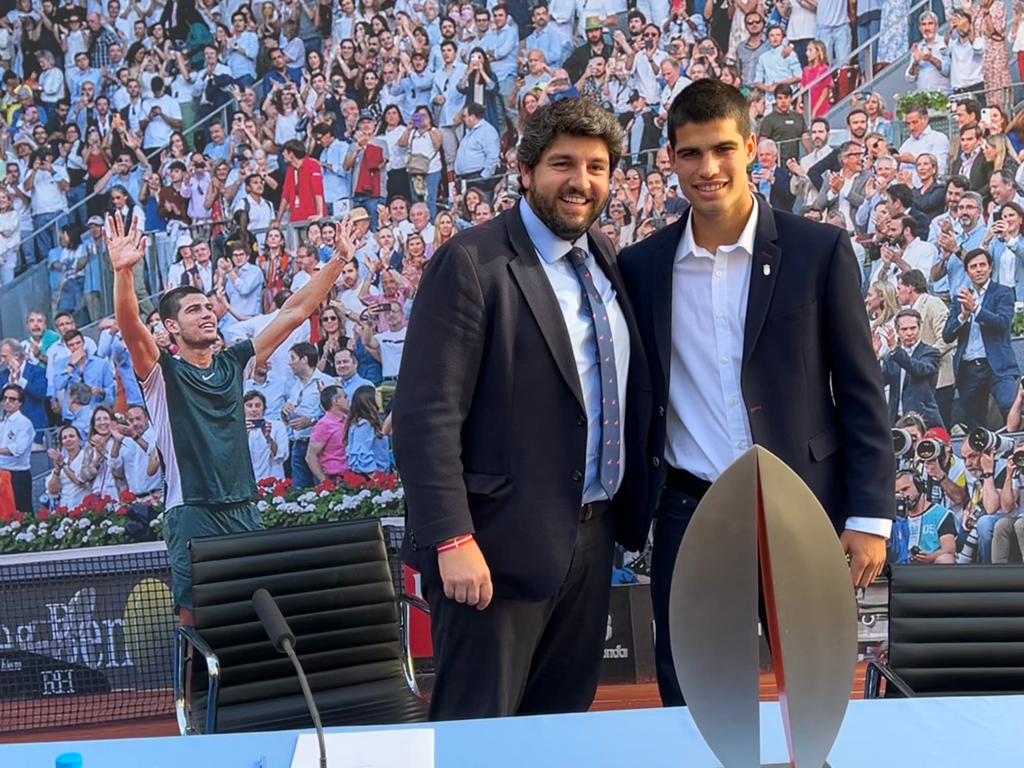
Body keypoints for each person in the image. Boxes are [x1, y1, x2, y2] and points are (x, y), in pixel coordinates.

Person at [618, 79, 893, 707]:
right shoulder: (642, 266)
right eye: (690, 153)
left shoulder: (817, 250)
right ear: (671, 159)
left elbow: (860, 391)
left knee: (815, 693)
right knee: (694, 698)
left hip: (800, 504)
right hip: (691, 510)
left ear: (751, 148)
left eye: (721, 149)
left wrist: (869, 515)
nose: (707, 168)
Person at [393, 97, 649, 720]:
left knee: (559, 727)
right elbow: (426, 416)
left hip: (590, 539)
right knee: (478, 735)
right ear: (526, 169)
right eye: (564, 163)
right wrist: (452, 536)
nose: (581, 182)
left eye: (596, 166)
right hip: (493, 547)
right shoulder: (472, 262)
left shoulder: (606, 258)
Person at [106, 210, 355, 619]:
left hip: (242, 506)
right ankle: (193, 687)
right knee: (195, 619)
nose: (206, 313)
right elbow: (131, 325)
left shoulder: (234, 361)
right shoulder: (161, 372)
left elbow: (293, 313)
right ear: (170, 327)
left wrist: (339, 260)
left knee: (256, 616)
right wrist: (124, 272)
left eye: (208, 307)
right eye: (193, 310)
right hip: (191, 510)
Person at [942, 248, 1019, 430]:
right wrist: (962, 315)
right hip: (969, 369)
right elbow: (947, 335)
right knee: (975, 423)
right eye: (973, 266)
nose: (979, 270)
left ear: (990, 267)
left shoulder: (1003, 292)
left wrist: (976, 309)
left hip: (998, 366)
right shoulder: (959, 298)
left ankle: (1017, 453)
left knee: (1011, 406)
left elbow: (1002, 323)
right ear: (967, 272)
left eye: (982, 265)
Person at [282, 341, 333, 488]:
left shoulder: (327, 381)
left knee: (322, 489)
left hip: (320, 445)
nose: (289, 363)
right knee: (300, 491)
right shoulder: (294, 386)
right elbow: (288, 417)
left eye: (292, 358)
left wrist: (311, 420)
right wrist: (285, 413)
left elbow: (335, 413)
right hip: (298, 443)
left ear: (304, 359)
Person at [881, 309, 943, 428]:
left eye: (913, 328)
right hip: (896, 421)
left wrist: (895, 350)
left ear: (919, 328)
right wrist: (874, 355)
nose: (909, 333)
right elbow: (879, 381)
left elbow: (918, 369)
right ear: (897, 331)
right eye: (904, 329)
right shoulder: (891, 357)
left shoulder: (931, 352)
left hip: (924, 422)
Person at [894, 470, 956, 564]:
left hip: (932, 567)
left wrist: (931, 557)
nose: (901, 495)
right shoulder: (896, 518)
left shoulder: (941, 514)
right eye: (897, 492)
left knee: (946, 559)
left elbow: (949, 549)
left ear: (919, 486)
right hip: (903, 567)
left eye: (905, 489)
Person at [0, 384, 35, 514]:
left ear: (20, 403)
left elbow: (18, 449)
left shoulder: (23, 423)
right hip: (2, 473)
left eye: (12, 399)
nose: (7, 402)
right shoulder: (3, 423)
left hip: (17, 476)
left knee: (21, 513)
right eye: (5, 398)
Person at [305, 385, 349, 483]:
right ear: (335, 401)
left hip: (349, 476)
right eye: (345, 397)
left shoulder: (347, 421)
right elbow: (310, 456)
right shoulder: (324, 424)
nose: (348, 400)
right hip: (333, 478)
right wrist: (324, 481)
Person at [243, 390, 289, 482]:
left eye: (258, 405)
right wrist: (244, 435)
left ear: (264, 409)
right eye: (249, 405)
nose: (254, 409)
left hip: (272, 480)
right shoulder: (236, 428)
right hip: (246, 482)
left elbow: (282, 455)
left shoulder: (277, 426)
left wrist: (268, 438)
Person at [345, 384, 389, 474]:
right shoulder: (364, 425)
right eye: (376, 395)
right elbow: (361, 453)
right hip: (372, 478)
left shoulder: (371, 422)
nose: (379, 397)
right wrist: (374, 476)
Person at [46, 424, 90, 511]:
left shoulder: (87, 457)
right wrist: (57, 470)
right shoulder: (61, 461)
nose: (68, 439)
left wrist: (62, 465)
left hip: (85, 509)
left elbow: (81, 481)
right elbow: (53, 491)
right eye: (64, 438)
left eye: (71, 436)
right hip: (64, 510)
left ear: (80, 440)